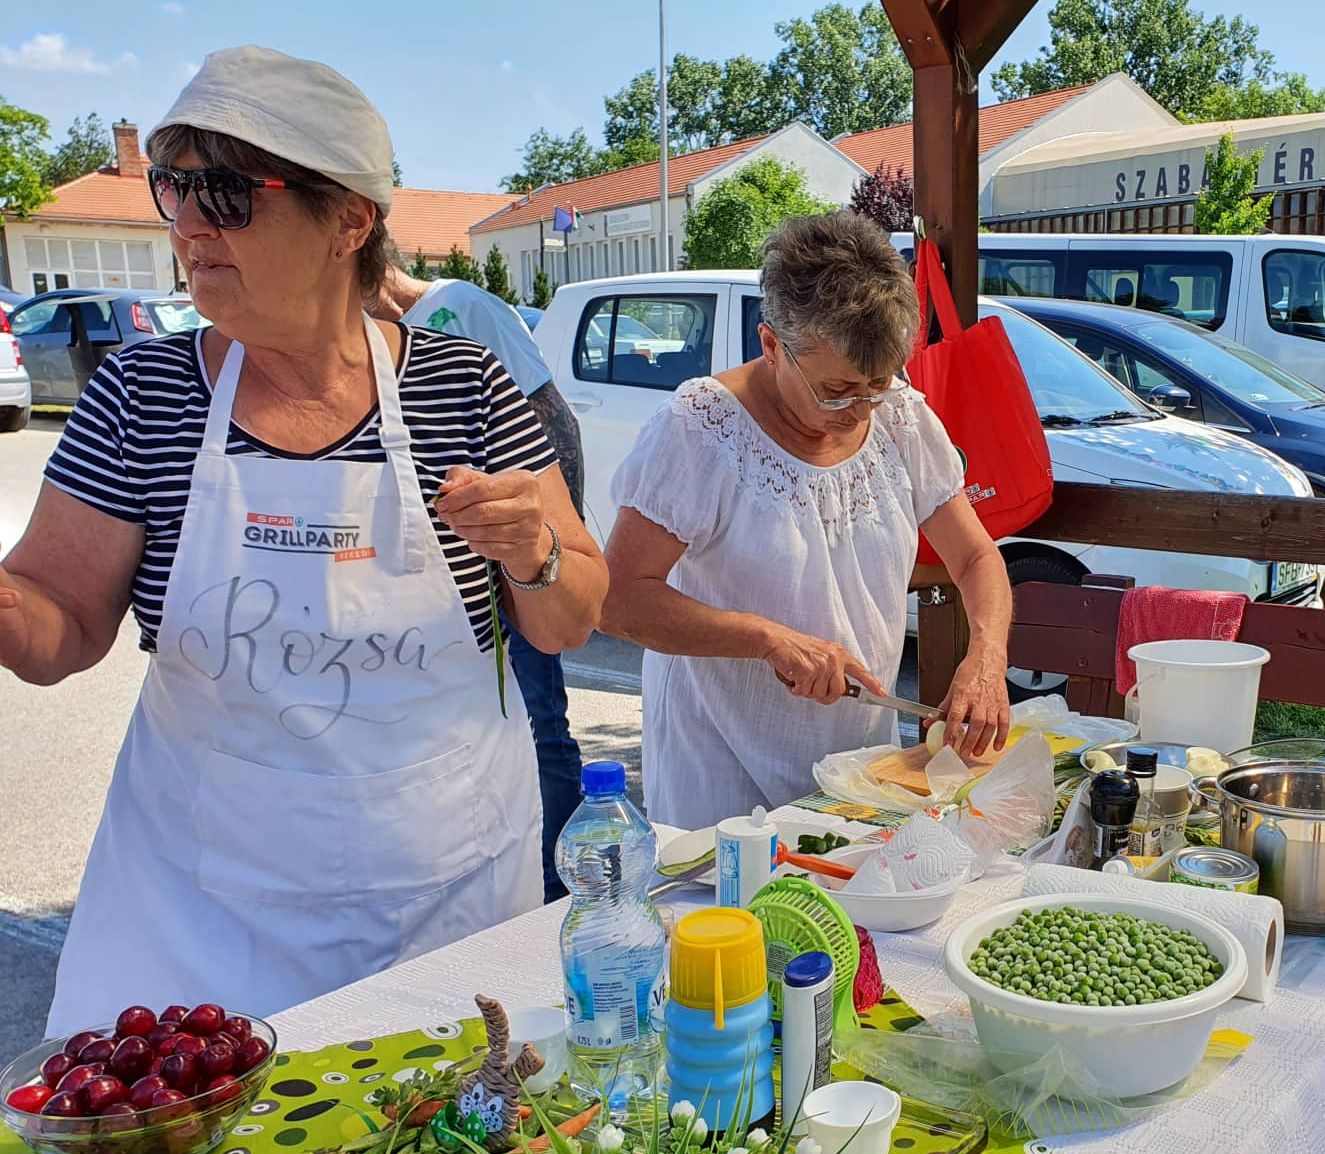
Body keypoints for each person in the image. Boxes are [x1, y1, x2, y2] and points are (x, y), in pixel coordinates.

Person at [0, 46, 607, 1030]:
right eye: (174, 186)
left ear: (349, 220)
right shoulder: (143, 397)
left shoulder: (463, 389)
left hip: (443, 909)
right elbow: (59, 624)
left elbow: (570, 617)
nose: (189, 223)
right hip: (195, 923)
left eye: (228, 193)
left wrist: (537, 553)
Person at [599, 211, 1013, 829]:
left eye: (876, 385)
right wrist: (768, 640)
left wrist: (986, 657)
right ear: (772, 346)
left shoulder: (901, 418)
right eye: (836, 390)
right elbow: (619, 601)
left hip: (858, 768)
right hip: (722, 769)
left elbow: (977, 558)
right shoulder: (700, 430)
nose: (859, 410)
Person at [371, 261, 587, 904]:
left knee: (540, 722)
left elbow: (553, 421)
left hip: (507, 567)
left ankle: (562, 885)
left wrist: (544, 551)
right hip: (439, 581)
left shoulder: (463, 305)